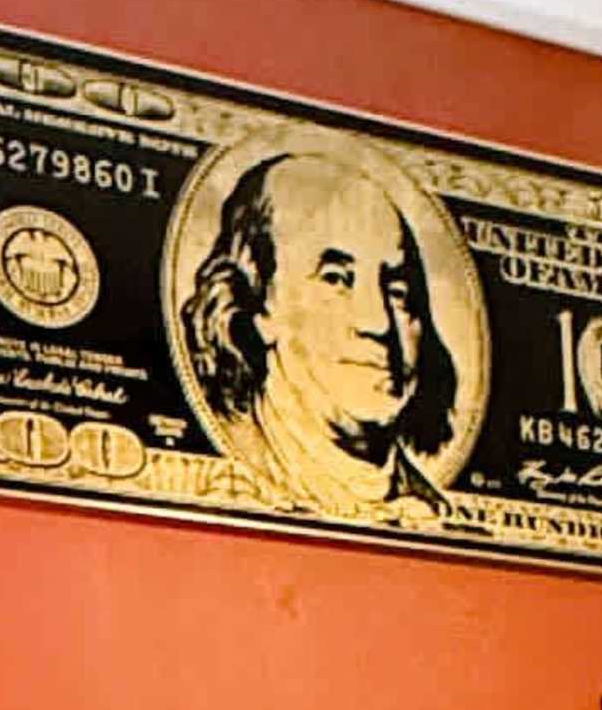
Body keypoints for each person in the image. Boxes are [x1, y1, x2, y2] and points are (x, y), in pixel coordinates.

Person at [176, 147, 463, 523]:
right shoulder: (229, 483)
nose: (377, 323)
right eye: (335, 279)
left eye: (397, 292)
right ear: (259, 305)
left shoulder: (435, 509)